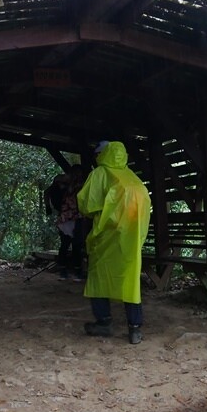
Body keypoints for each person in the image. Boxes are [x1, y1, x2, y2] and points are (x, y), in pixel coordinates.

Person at [76, 141, 151, 344]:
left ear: (101, 155)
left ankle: (104, 322)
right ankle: (135, 328)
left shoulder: (100, 173)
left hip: (107, 236)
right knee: (129, 279)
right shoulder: (132, 177)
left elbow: (85, 205)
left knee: (99, 276)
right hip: (131, 237)